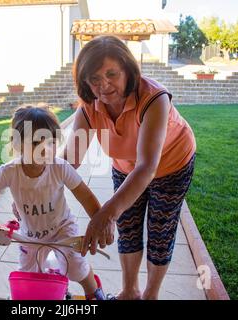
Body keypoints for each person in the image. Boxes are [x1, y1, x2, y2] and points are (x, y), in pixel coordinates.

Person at [61, 35, 196, 300]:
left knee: (160, 230)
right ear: (85, 82)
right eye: (95, 79)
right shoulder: (88, 108)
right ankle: (130, 291)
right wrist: (32, 182)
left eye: (111, 74)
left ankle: (150, 294)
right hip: (125, 166)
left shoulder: (154, 98)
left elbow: (147, 167)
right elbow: (69, 161)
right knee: (128, 226)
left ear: (128, 70)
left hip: (171, 165)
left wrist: (105, 213)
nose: (104, 85)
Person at [0, 105, 105, 300]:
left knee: (75, 267)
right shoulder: (9, 171)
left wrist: (99, 224)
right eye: (37, 142)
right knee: (30, 275)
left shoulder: (60, 167)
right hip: (30, 235)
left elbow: (84, 196)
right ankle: (57, 292)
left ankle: (93, 292)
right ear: (17, 144)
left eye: (52, 142)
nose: (46, 148)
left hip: (62, 228)